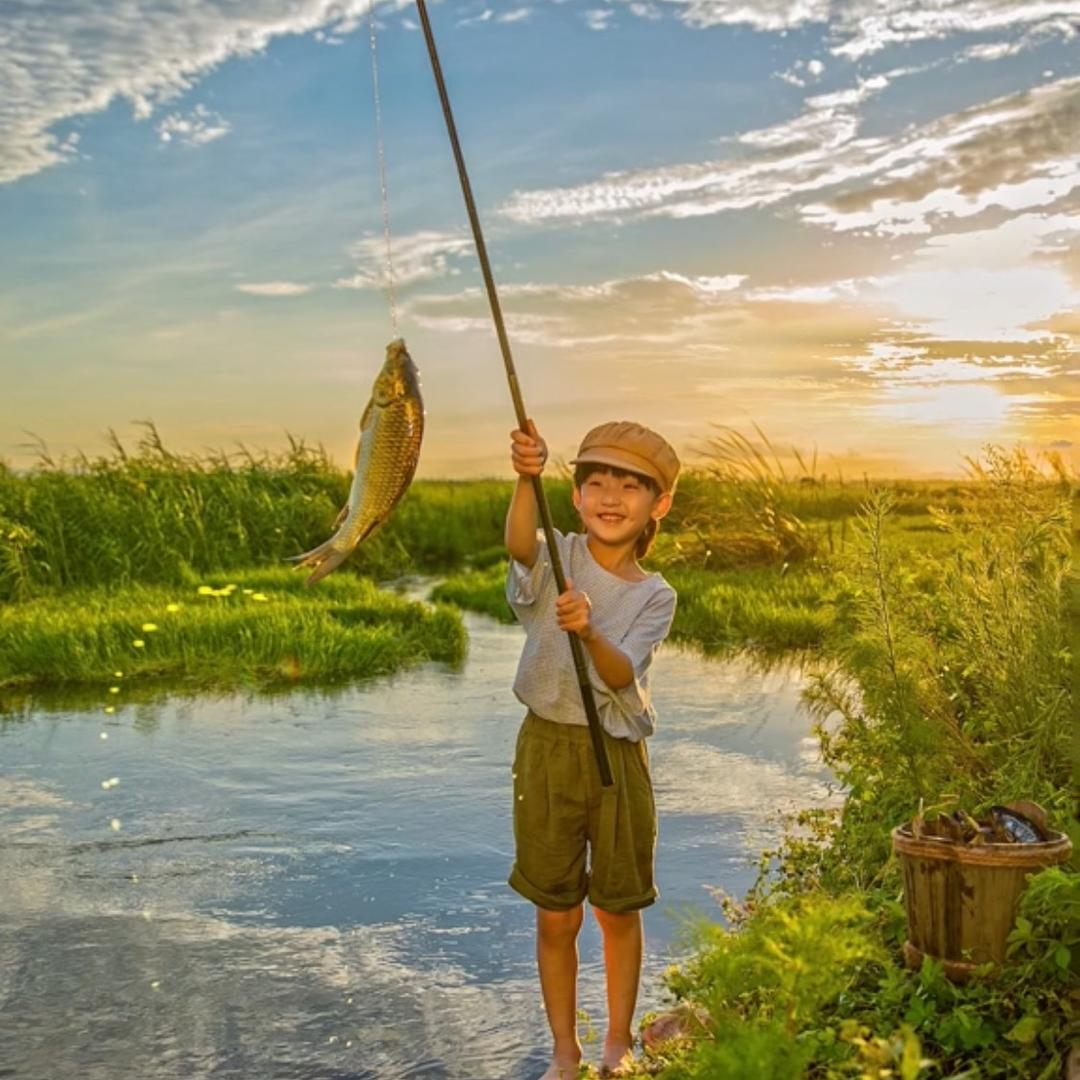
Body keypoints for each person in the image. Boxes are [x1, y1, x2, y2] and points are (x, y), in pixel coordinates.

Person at [505, 418, 681, 1080]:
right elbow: (521, 548)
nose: (611, 496)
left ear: (657, 506)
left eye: (631, 486)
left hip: (616, 759)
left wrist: (588, 632)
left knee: (616, 908)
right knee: (556, 913)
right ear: (576, 496)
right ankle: (564, 1052)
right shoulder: (560, 551)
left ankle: (617, 1042)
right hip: (545, 751)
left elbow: (619, 674)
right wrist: (526, 476)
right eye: (596, 481)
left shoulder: (655, 594)